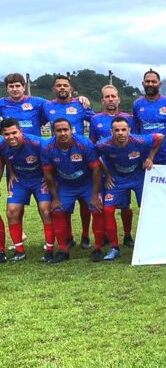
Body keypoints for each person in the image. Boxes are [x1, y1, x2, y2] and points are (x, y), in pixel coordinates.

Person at [96, 117, 162, 260]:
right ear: (111, 132)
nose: (120, 133)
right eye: (117, 130)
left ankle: (148, 242)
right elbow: (96, 156)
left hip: (138, 178)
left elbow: (159, 137)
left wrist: (150, 157)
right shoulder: (103, 144)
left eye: (123, 130)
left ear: (129, 131)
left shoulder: (139, 140)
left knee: (146, 208)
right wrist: (106, 174)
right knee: (108, 210)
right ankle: (114, 247)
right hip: (117, 180)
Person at [41, 119, 105, 263]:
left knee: (97, 208)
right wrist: (55, 198)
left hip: (86, 183)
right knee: (57, 211)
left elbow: (96, 168)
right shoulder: (47, 148)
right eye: (59, 130)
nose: (63, 133)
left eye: (65, 129)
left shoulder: (84, 144)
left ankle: (97, 248)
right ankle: (63, 250)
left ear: (71, 130)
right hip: (65, 185)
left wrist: (95, 195)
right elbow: (48, 174)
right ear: (53, 132)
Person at [43, 75, 95, 249]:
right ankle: (68, 236)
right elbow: (36, 123)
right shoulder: (47, 106)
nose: (62, 88)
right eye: (59, 85)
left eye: (65, 85)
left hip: (79, 157)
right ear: (54, 89)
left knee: (84, 203)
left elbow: (95, 121)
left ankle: (86, 236)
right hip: (58, 159)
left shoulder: (80, 104)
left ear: (71, 88)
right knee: (63, 204)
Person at [0, 119, 54, 262]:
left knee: (46, 210)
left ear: (20, 131)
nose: (11, 137)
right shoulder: (2, 145)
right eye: (6, 134)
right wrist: (10, 172)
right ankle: (19, 251)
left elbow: (53, 161)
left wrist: (49, 179)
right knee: (11, 211)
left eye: (14, 133)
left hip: (40, 180)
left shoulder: (38, 143)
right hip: (20, 180)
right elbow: (4, 159)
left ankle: (49, 249)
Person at [89, 85, 134, 245]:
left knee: (125, 204)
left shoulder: (129, 118)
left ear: (118, 99)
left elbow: (134, 141)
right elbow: (93, 147)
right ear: (102, 100)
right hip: (103, 169)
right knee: (104, 204)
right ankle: (107, 236)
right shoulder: (95, 119)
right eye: (107, 97)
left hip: (124, 169)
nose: (110, 99)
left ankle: (128, 235)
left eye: (113, 96)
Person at [133, 69, 166, 165]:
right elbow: (136, 129)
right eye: (147, 81)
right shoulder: (137, 104)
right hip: (145, 156)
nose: (150, 84)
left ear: (159, 84)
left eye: (154, 82)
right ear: (143, 84)